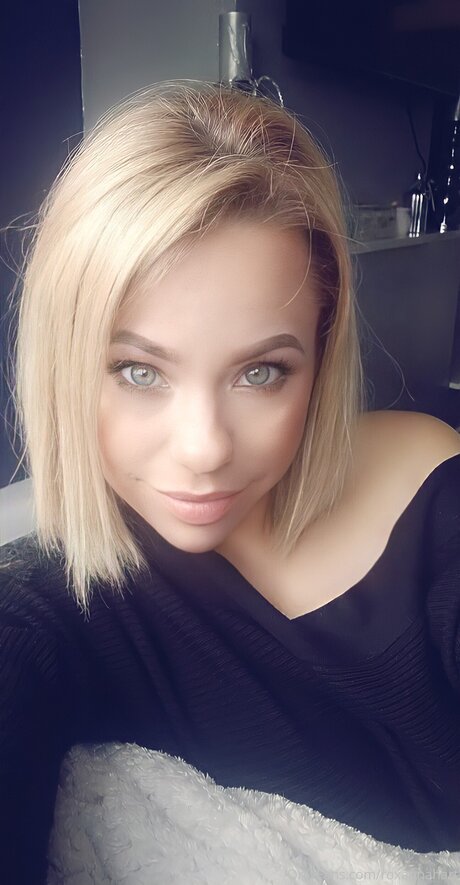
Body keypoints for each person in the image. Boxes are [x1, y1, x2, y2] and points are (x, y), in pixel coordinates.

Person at [1, 80, 460, 884]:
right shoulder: (58, 600)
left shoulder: (430, 496)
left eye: (261, 371)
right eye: (139, 370)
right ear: (65, 363)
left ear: (321, 355)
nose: (205, 448)